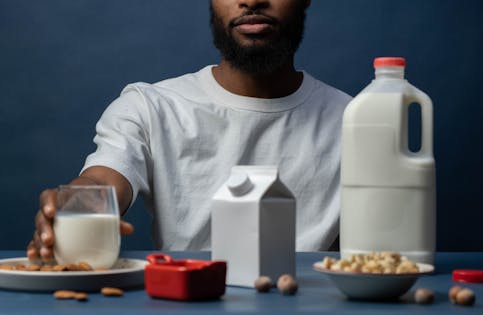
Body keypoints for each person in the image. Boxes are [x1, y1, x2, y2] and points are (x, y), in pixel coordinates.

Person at [27, 0, 351, 261]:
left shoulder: (354, 122)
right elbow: (102, 180)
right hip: (187, 307)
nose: (252, 2)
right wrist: (74, 205)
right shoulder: (150, 106)